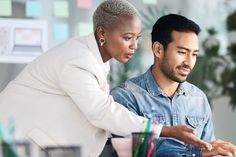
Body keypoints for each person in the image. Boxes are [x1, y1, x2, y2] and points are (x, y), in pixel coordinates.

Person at [0, 1, 210, 156]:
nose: (134, 46)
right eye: (127, 38)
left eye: (136, 38)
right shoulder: (77, 60)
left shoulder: (97, 60)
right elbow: (102, 112)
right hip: (13, 137)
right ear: (102, 33)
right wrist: (167, 130)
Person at [111, 14, 236, 156]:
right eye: (182, 52)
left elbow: (209, 150)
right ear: (158, 49)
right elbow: (134, 154)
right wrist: (196, 153)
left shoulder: (198, 99)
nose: (189, 62)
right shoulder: (126, 97)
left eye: (194, 54)